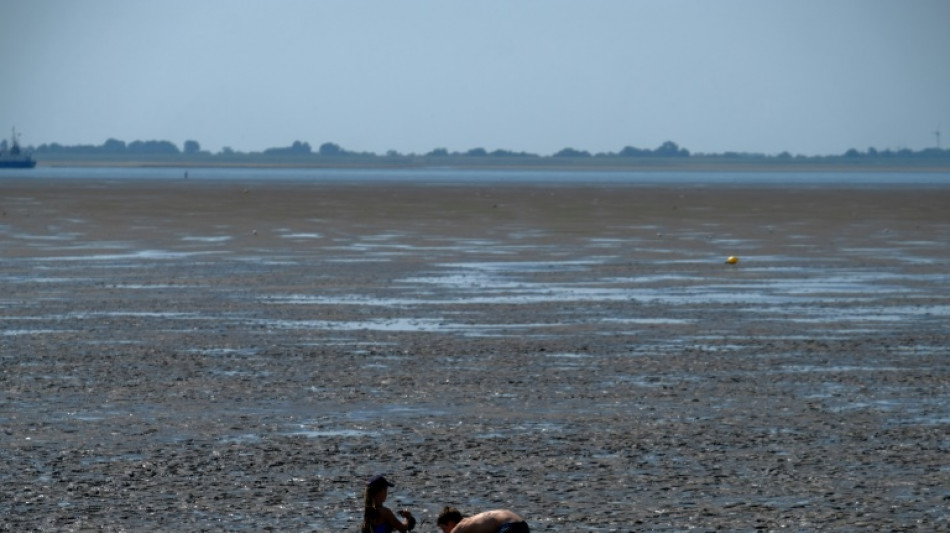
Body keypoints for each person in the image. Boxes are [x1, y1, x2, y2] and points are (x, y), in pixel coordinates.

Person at [436, 507, 529, 533]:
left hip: (509, 526)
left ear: (450, 523)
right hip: (522, 524)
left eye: (443, 529)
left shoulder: (460, 527)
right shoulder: (471, 522)